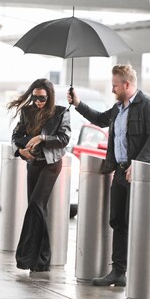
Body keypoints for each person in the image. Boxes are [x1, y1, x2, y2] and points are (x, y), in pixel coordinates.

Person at [67, 64, 150, 286]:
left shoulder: (146, 105)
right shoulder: (117, 109)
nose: (112, 89)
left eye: (115, 85)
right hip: (121, 173)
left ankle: (140, 274)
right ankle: (119, 272)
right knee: (118, 221)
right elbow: (100, 119)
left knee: (139, 224)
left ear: (127, 84)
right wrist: (77, 104)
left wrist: (139, 163)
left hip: (141, 175)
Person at [7, 78, 71, 272]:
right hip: (33, 163)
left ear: (49, 96)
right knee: (38, 209)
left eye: (42, 98)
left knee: (36, 205)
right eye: (34, 97)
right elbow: (15, 137)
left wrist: (42, 138)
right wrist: (19, 151)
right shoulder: (28, 112)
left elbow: (64, 139)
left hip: (51, 164)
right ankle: (40, 261)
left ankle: (27, 255)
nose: (37, 102)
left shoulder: (61, 112)